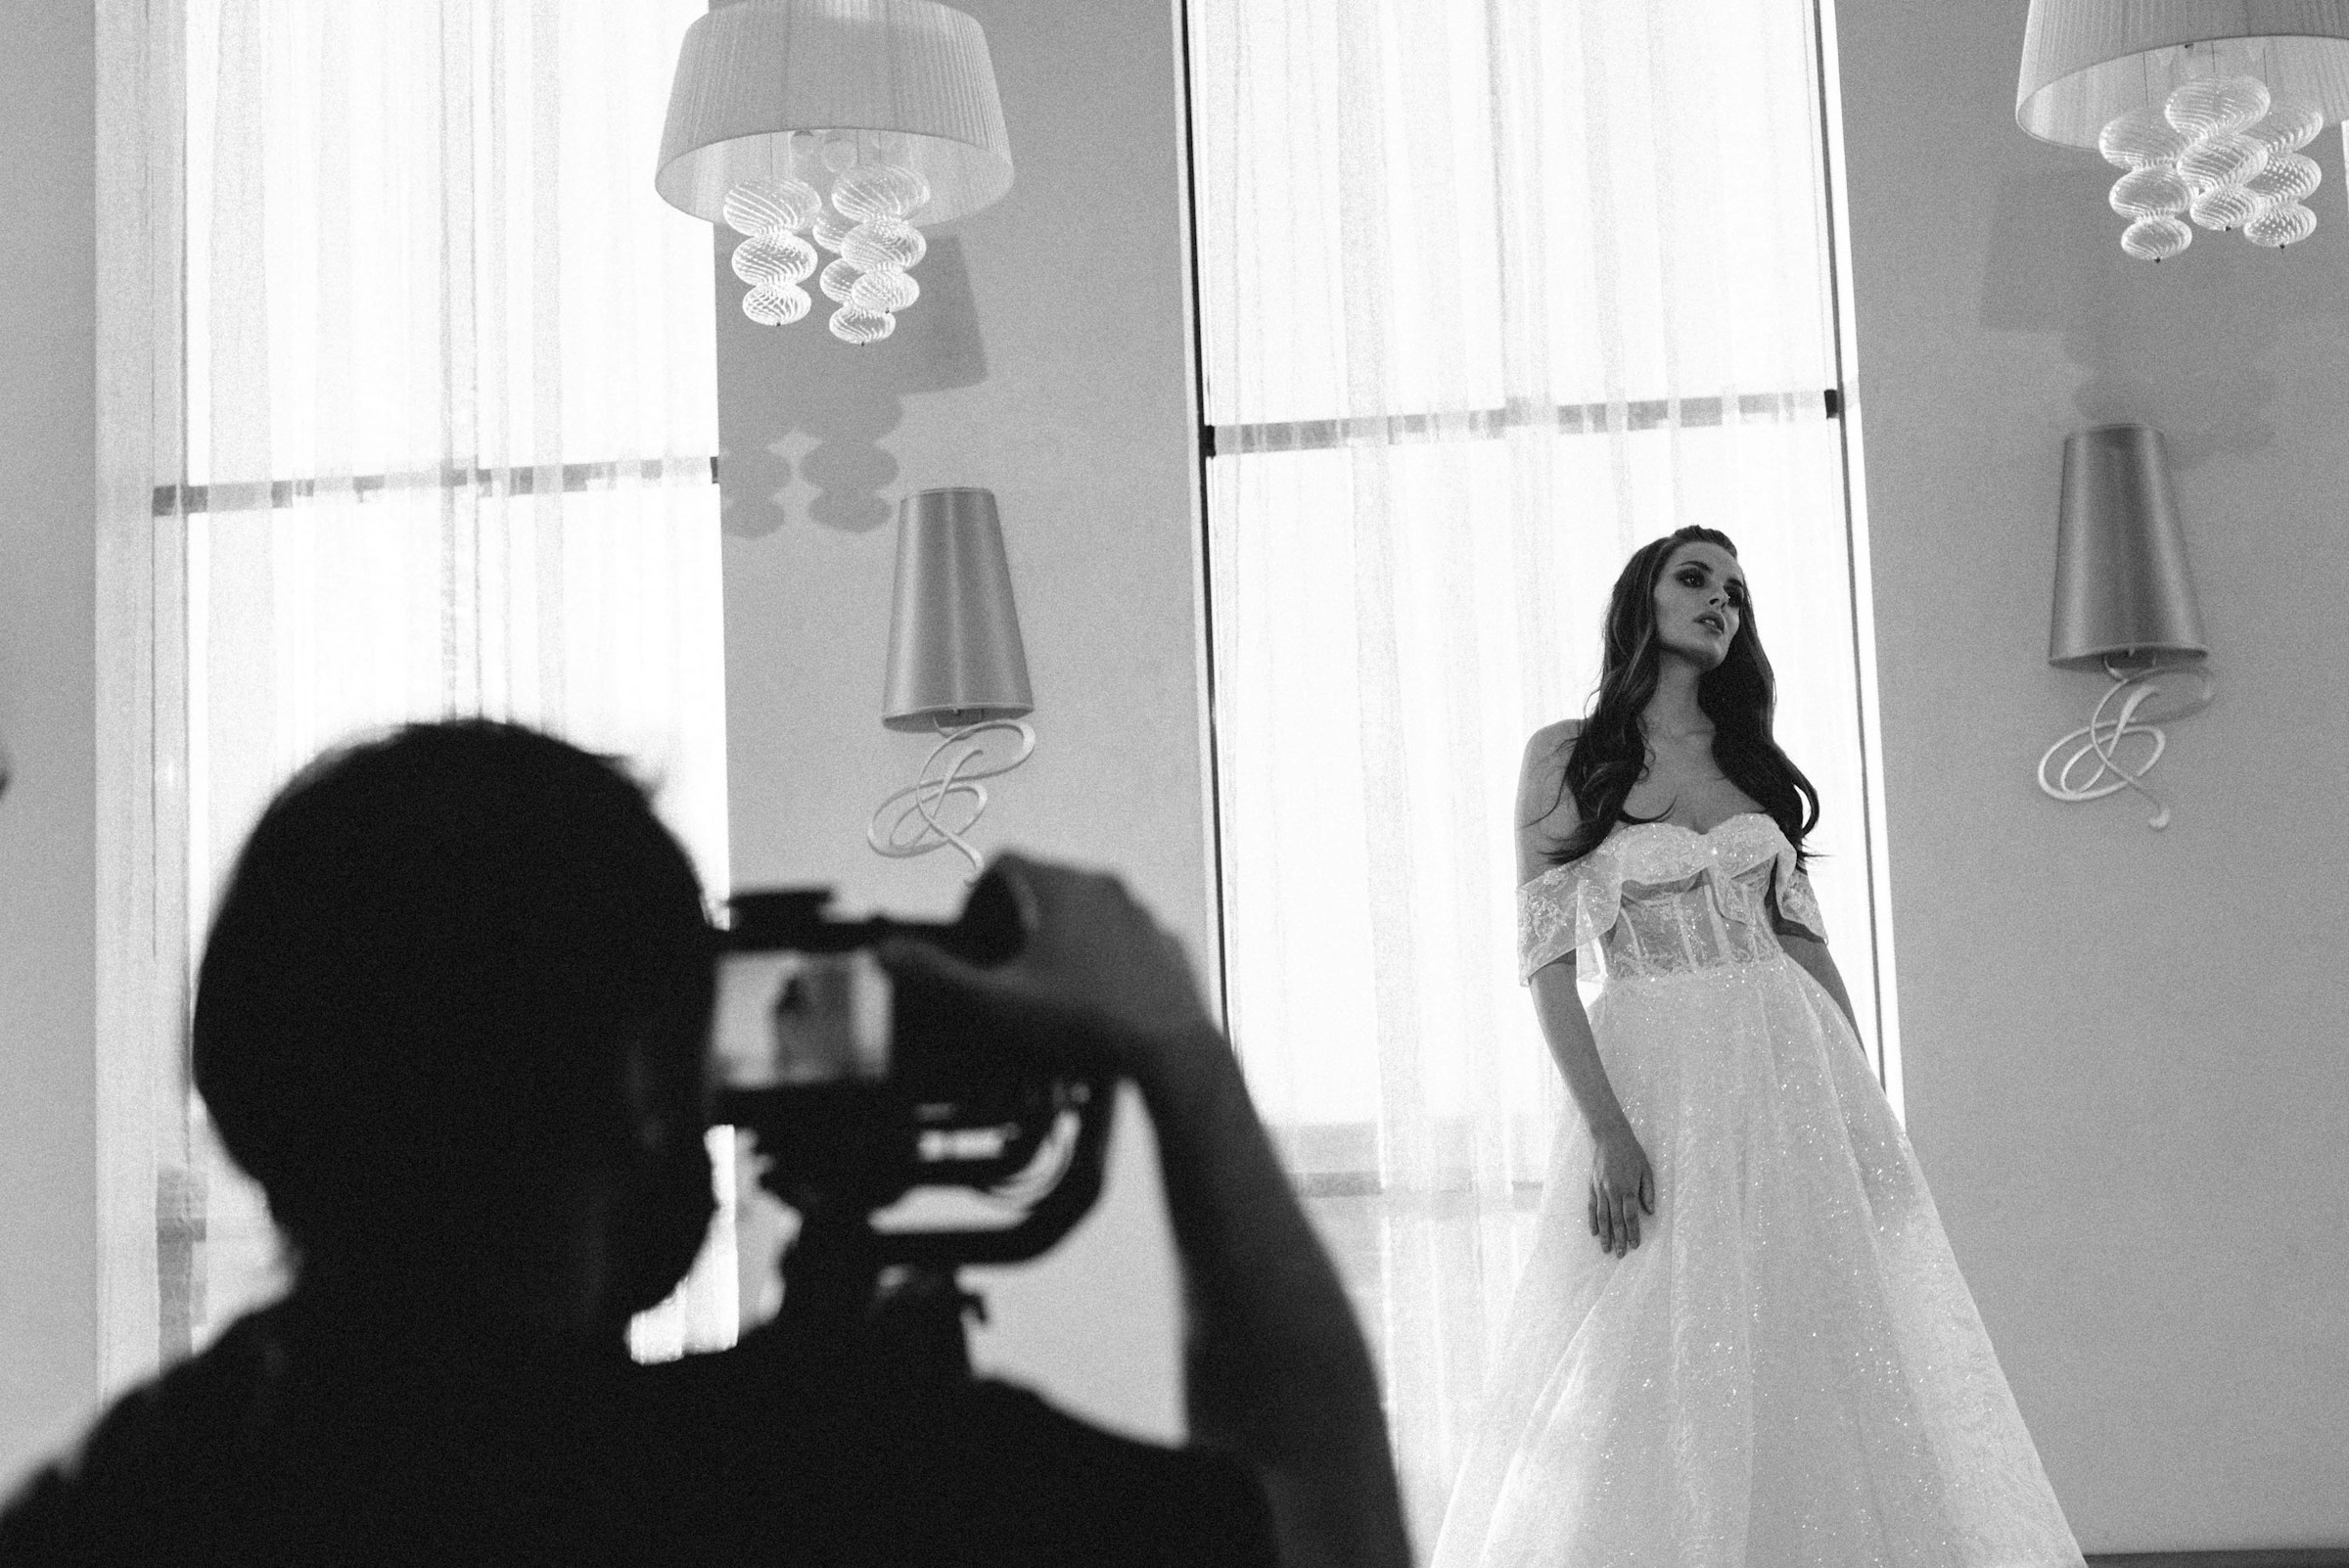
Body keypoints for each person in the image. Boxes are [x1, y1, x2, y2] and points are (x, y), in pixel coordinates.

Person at [0, 718, 1410, 1568]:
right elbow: (1326, 1544)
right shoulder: (857, 1482)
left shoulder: (132, 1487)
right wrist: (1178, 1057)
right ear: (635, 1073)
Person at [1429, 529, 2085, 1567]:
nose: (1721, 601)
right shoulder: (1568, 754)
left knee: (1809, 1328)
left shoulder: (1750, 767)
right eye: (1696, 579)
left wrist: (1864, 1113)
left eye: (1735, 590)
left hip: (1788, 1064)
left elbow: (1809, 955)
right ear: (1640, 598)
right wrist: (1608, 1131)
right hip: (1653, 1064)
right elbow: (1546, 962)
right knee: (1645, 1330)